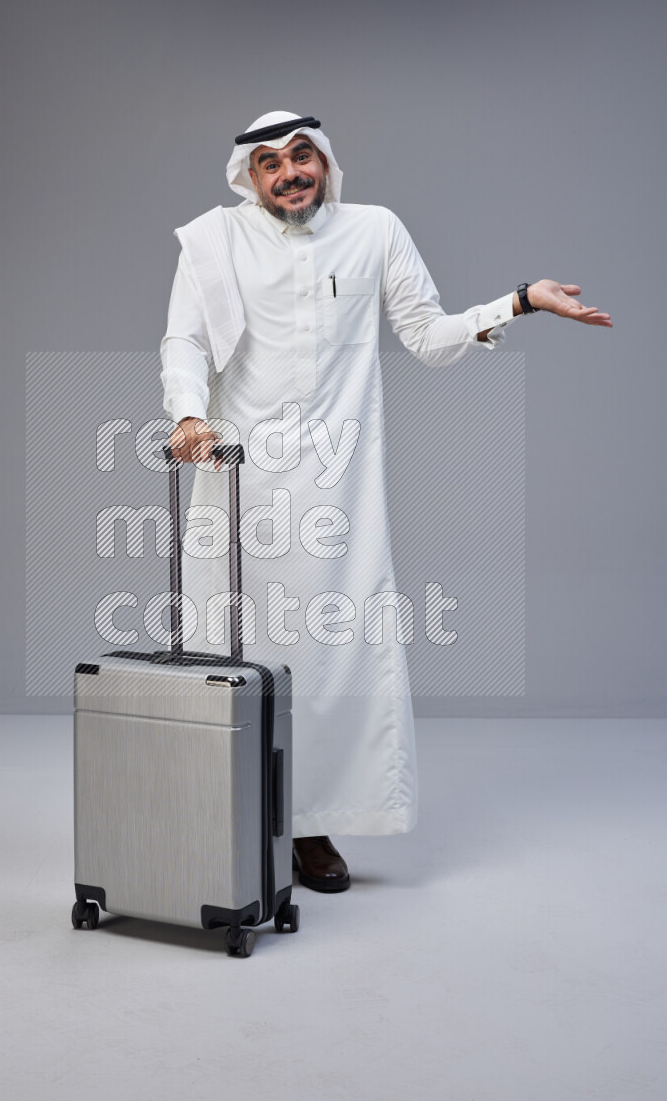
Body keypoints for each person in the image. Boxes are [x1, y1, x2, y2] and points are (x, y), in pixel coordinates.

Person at [160, 110, 611, 893]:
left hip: (339, 492)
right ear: (248, 176)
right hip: (239, 480)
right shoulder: (213, 242)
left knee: (333, 656)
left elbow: (429, 337)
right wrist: (187, 412)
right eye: (269, 163)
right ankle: (218, 820)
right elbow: (185, 341)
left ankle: (308, 825)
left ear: (326, 163)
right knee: (229, 648)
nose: (288, 173)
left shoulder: (374, 232)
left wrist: (519, 301)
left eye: (301, 156)